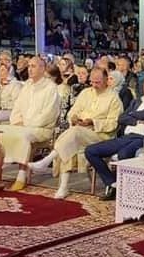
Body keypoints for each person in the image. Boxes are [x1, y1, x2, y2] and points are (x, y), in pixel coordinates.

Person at [29, 67, 123, 199]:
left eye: (98, 82)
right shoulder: (85, 93)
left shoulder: (114, 98)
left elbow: (114, 124)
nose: (94, 85)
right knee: (71, 140)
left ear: (107, 80)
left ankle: (48, 160)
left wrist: (93, 122)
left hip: (100, 136)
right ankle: (63, 187)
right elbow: (73, 111)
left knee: (73, 133)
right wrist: (73, 118)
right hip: (78, 132)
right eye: (92, 82)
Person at [0, 56, 61, 191]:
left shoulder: (51, 88)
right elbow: (17, 108)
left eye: (33, 66)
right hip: (21, 125)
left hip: (41, 128)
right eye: (29, 66)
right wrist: (17, 121)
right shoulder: (27, 85)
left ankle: (21, 176)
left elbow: (49, 114)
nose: (29, 69)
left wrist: (27, 123)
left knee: (24, 136)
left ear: (43, 69)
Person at [85, 72, 144, 201]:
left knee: (123, 154)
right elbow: (121, 118)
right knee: (90, 151)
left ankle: (127, 193)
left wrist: (133, 115)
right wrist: (137, 120)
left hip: (143, 138)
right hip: (126, 136)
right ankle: (112, 183)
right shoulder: (136, 101)